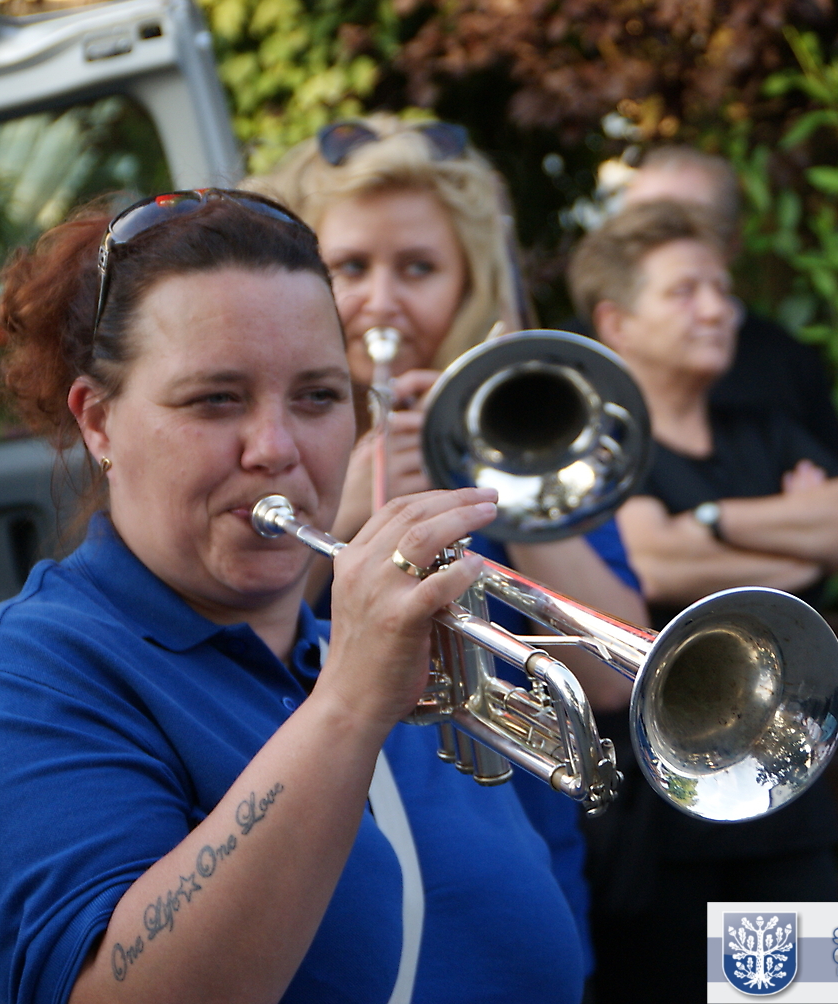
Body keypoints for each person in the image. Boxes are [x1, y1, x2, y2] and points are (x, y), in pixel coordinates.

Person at [0, 190, 587, 1004]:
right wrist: (347, 708)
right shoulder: (15, 691)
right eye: (215, 399)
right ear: (99, 422)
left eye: (317, 397)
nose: (275, 449)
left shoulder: (372, 663)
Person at [248, 115, 650, 978]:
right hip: (322, 884)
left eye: (419, 268)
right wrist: (345, 510)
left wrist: (497, 479)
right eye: (351, 267)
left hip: (516, 877)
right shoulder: (262, 448)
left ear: (469, 281)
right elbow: (234, 635)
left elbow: (619, 678)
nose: (382, 300)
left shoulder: (534, 423)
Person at [568, 199, 838, 1003]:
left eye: (722, 289)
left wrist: (706, 521)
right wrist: (794, 550)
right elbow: (652, 563)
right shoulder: (596, 453)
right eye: (685, 291)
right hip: (657, 823)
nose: (716, 309)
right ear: (616, 323)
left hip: (787, 795)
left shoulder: (765, 428)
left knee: (798, 991)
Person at [619, 146, 838, 466]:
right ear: (612, 326)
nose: (660, 242)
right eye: (637, 224)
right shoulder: (576, 354)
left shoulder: (785, 363)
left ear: (733, 241)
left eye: (685, 225)